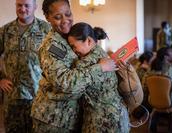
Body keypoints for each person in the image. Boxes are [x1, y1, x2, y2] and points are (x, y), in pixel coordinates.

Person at [31, 0, 117, 132]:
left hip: (73, 116)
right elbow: (65, 83)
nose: (65, 20)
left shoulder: (71, 37)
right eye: (58, 17)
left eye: (68, 14)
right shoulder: (51, 46)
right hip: (53, 119)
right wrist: (100, 68)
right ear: (47, 17)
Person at [67, 22, 130, 133]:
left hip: (101, 121)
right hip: (118, 115)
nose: (73, 50)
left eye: (74, 46)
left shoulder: (85, 63)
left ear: (89, 41)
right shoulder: (102, 53)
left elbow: (71, 87)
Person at [0, 0, 51, 132]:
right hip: (12, 98)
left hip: (38, 97)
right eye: (19, 5)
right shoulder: (5, 31)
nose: (22, 9)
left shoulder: (47, 30)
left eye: (26, 5)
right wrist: (0, 78)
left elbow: (57, 60)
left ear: (34, 7)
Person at [143, 47, 172, 132]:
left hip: (153, 100)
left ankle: (156, 115)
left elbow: (144, 85)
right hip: (171, 100)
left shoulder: (150, 69)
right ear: (166, 57)